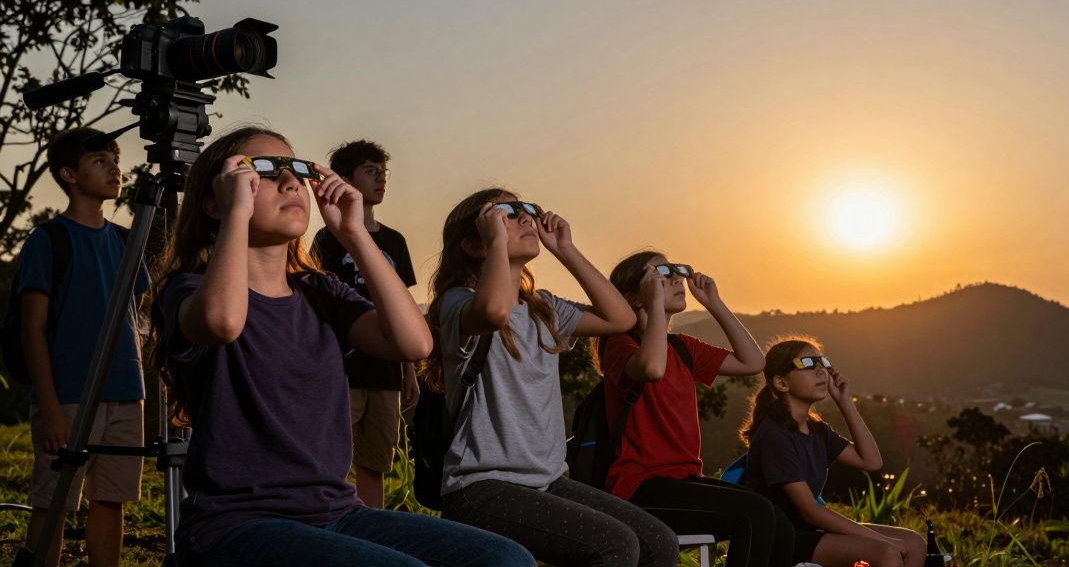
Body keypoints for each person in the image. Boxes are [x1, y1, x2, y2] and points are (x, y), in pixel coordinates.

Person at [150, 127, 533, 567]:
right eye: (263, 172)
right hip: (236, 523)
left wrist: (354, 234)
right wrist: (236, 211)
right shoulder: (191, 289)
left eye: (295, 169)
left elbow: (414, 342)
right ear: (217, 199)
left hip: (336, 511)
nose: (291, 181)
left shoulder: (321, 292)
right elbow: (222, 322)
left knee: (504, 558)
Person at [428, 189, 679, 567]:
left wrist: (566, 249)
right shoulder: (458, 303)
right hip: (480, 485)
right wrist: (497, 240)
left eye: (527, 209)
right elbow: (494, 311)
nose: (527, 217)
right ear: (473, 244)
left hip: (547, 481)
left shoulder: (544, 309)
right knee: (616, 546)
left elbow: (621, 320)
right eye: (506, 214)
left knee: (659, 542)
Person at [602, 251, 794, 567]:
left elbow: (752, 362)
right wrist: (653, 307)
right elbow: (651, 368)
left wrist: (714, 303)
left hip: (684, 480)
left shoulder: (682, 348)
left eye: (677, 270)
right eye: (662, 273)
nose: (678, 278)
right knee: (755, 514)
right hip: (640, 488)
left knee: (779, 520)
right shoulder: (620, 346)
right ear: (634, 295)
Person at [18, 127, 146, 567]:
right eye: (100, 161)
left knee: (111, 501)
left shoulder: (128, 240)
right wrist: (50, 407)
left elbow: (140, 318)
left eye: (115, 159)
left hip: (128, 393)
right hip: (69, 396)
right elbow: (31, 329)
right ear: (69, 173)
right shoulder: (48, 239)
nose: (115, 168)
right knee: (53, 504)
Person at [742, 337, 926, 567]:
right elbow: (811, 512)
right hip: (781, 537)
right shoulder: (774, 436)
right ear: (781, 383)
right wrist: (883, 540)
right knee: (887, 552)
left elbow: (870, 461)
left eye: (822, 362)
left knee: (915, 542)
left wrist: (845, 402)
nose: (820, 370)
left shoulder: (816, 430)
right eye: (808, 363)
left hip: (811, 531)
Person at [311, 139, 419, 507]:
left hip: (387, 373)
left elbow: (404, 307)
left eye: (383, 173)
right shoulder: (327, 238)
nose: (381, 180)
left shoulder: (395, 241)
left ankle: (372, 531)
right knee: (333, 459)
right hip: (342, 371)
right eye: (371, 172)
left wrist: (410, 372)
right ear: (344, 179)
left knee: (375, 464)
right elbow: (319, 305)